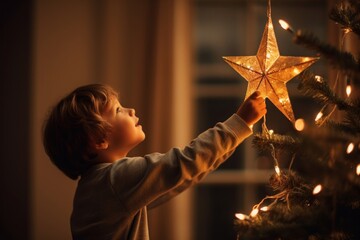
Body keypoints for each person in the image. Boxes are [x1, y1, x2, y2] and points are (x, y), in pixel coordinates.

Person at [42, 83, 266, 240]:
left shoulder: (102, 186)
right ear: (98, 139)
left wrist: (235, 136)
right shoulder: (113, 180)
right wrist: (239, 123)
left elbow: (181, 177)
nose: (131, 110)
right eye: (118, 110)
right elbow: (183, 164)